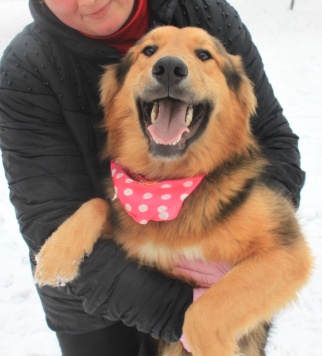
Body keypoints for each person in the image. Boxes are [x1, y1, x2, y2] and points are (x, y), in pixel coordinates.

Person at [0, 0, 306, 355]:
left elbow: (275, 141)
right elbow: (47, 219)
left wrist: (248, 237)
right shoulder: (25, 68)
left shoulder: (206, 12)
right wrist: (190, 313)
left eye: (203, 55)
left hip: (223, 305)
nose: (88, 1)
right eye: (149, 51)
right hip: (89, 296)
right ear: (112, 95)